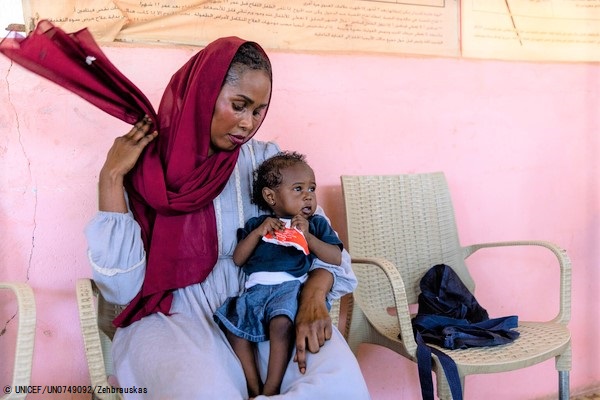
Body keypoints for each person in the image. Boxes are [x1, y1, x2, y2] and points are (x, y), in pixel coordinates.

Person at [84, 36, 371, 399]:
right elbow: (121, 290)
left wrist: (313, 296)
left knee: (340, 385)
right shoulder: (145, 165)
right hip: (174, 315)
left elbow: (325, 244)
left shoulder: (268, 161)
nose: (248, 123)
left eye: (258, 111)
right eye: (239, 106)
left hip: (270, 302)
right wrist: (111, 178)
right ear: (203, 95)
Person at [214, 151, 344, 398]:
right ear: (271, 196)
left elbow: (335, 258)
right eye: (298, 189)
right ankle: (253, 386)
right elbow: (239, 259)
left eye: (312, 188)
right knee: (233, 327)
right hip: (255, 290)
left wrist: (308, 237)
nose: (308, 195)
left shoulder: (315, 224)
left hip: (290, 288)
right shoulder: (258, 224)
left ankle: (272, 387)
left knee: (281, 323)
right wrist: (258, 233)